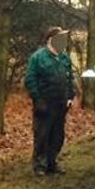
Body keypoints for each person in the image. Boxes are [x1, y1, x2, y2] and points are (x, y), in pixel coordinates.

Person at [24, 26, 76, 175]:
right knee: (42, 135)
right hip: (45, 103)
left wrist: (70, 96)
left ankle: (52, 163)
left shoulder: (64, 58)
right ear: (50, 39)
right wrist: (37, 99)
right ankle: (40, 165)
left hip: (61, 103)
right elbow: (30, 79)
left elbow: (69, 78)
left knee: (57, 136)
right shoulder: (38, 57)